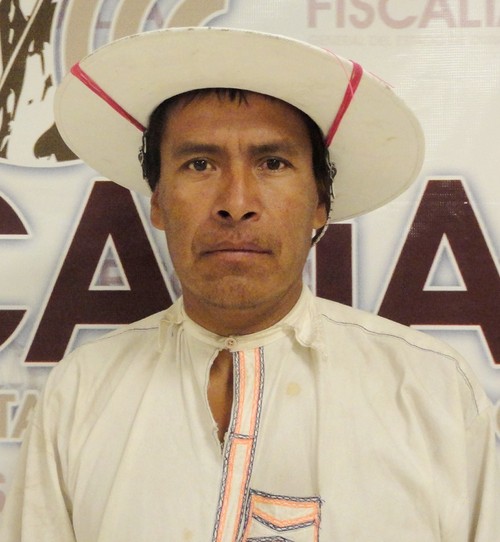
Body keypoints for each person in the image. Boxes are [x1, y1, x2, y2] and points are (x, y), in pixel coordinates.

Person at [0, 27, 498, 541]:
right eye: (200, 164)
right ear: (158, 202)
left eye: (273, 163)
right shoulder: (81, 392)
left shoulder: (430, 390)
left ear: (320, 203)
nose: (236, 203)